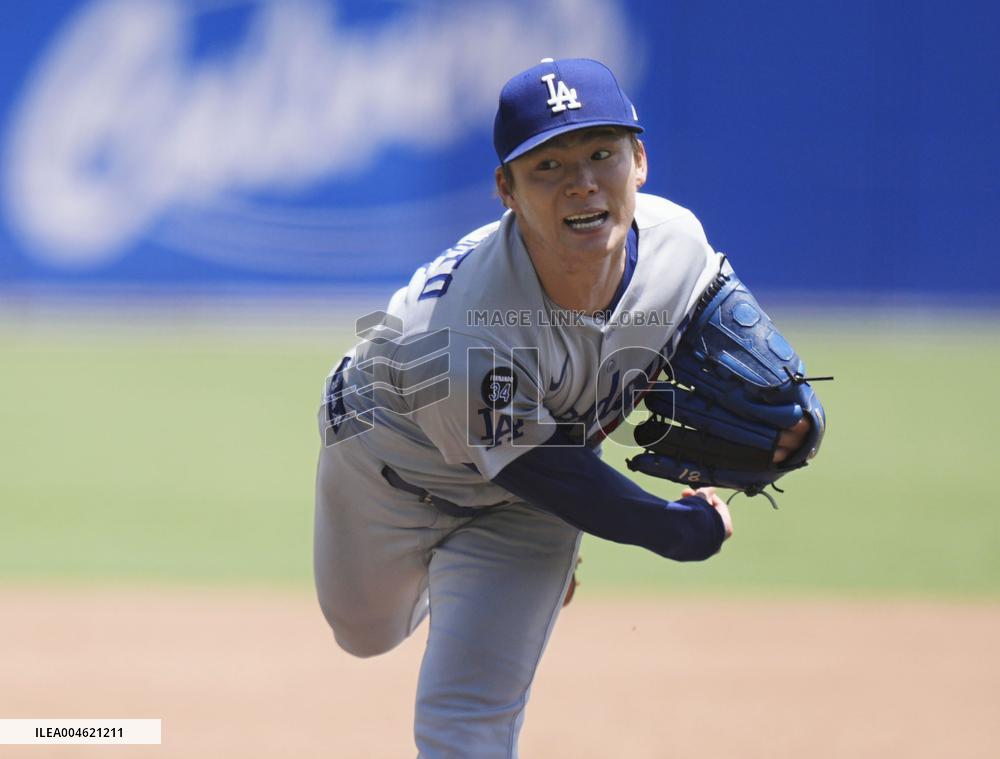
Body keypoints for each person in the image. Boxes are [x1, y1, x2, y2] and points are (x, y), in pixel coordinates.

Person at [314, 57, 808, 758]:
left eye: (602, 153)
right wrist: (671, 526)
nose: (582, 181)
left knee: (465, 716)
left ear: (640, 160)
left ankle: (484, 589)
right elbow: (550, 473)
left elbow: (752, 364)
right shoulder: (467, 329)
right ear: (505, 190)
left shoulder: (678, 247)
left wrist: (785, 420)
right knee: (364, 634)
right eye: (547, 166)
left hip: (524, 500)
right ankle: (445, 584)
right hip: (386, 460)